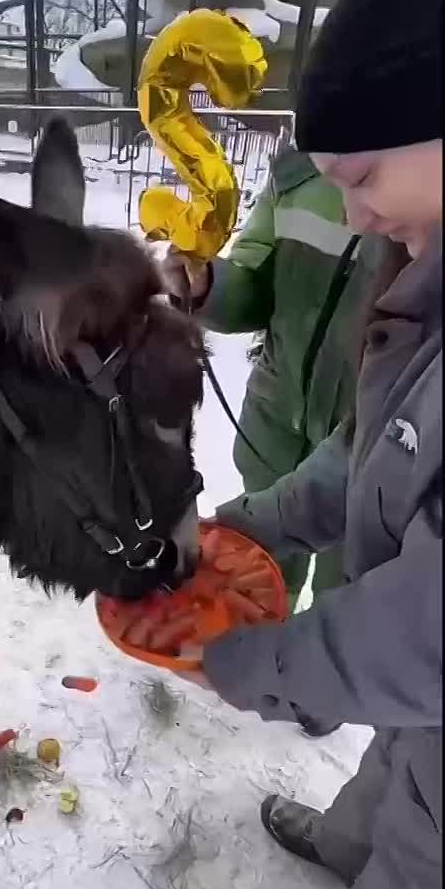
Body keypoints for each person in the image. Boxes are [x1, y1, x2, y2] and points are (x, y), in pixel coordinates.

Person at [177, 0, 442, 889]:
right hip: (416, 680)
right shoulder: (426, 268)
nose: (352, 205)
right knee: (401, 758)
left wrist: (260, 663)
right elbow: (381, 448)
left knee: (434, 837)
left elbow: (423, 628)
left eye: (364, 174)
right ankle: (343, 848)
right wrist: (258, 516)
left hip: (419, 646)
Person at [163, 149, 390, 739]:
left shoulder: (415, 190)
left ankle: (321, 690)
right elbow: (253, 288)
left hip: (370, 436)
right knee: (263, 553)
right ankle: (259, 646)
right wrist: (209, 284)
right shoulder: (299, 174)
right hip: (275, 417)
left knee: (349, 574)